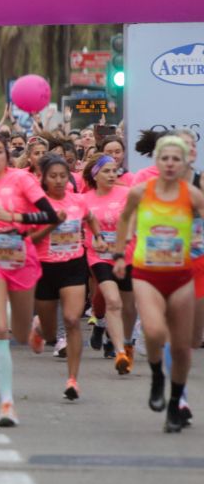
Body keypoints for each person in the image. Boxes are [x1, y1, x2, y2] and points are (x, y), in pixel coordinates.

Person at [114, 135, 204, 433]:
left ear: (184, 163)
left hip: (180, 276)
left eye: (175, 159)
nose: (169, 163)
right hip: (146, 273)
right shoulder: (140, 191)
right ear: (157, 161)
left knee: (182, 347)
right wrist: (118, 254)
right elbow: (124, 219)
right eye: (164, 158)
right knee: (153, 330)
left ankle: (176, 404)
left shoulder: (193, 195)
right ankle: (156, 376)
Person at [0, 132, 63, 428]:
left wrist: (15, 217)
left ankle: (36, 327)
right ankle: (6, 403)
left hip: (21, 256)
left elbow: (48, 215)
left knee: (21, 335)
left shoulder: (21, 180)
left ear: (7, 155)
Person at [30, 155, 97, 401]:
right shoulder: (37, 203)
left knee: (71, 320)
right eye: (53, 176)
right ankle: (39, 327)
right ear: (44, 178)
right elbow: (31, 240)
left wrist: (97, 236)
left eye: (63, 175)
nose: (59, 180)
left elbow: (90, 217)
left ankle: (73, 380)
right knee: (50, 335)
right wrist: (51, 224)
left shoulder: (77, 200)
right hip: (45, 267)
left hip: (73, 265)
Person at [82, 154, 136, 372]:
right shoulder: (85, 199)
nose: (112, 174)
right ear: (95, 175)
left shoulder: (126, 194)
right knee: (113, 302)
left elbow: (132, 222)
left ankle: (128, 341)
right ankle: (120, 352)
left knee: (129, 308)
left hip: (127, 255)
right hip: (99, 257)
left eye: (115, 170)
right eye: (106, 171)